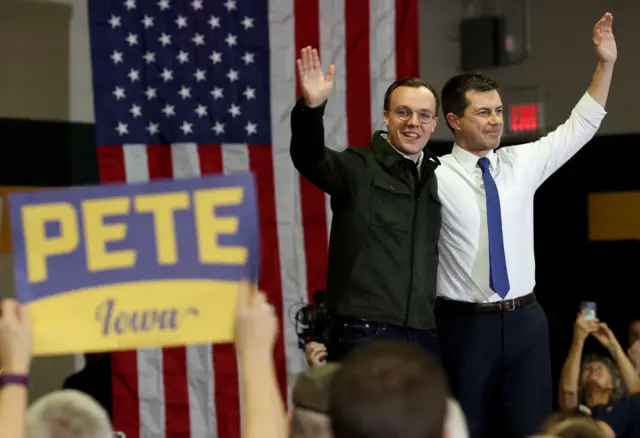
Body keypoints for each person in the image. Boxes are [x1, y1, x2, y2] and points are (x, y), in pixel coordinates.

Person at [433, 12, 617, 438]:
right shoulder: (432, 174)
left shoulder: (521, 162)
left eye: (498, 110)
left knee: (534, 430)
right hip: (465, 325)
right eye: (483, 112)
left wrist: (605, 65)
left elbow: (581, 126)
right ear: (454, 120)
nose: (496, 120)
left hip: (525, 322)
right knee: (463, 429)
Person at [291, 47, 442, 361]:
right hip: (365, 333)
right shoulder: (357, 166)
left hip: (425, 334)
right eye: (403, 112)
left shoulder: (440, 177)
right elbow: (310, 158)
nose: (413, 122)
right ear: (387, 117)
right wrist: (311, 108)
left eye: (423, 115)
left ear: (434, 124)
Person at [558, 313, 640, 415]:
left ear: (614, 384)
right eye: (587, 369)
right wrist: (577, 342)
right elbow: (568, 391)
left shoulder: (622, 411)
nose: (593, 370)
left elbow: (637, 393)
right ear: (580, 385)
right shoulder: (576, 412)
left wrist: (612, 345)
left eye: (599, 368)